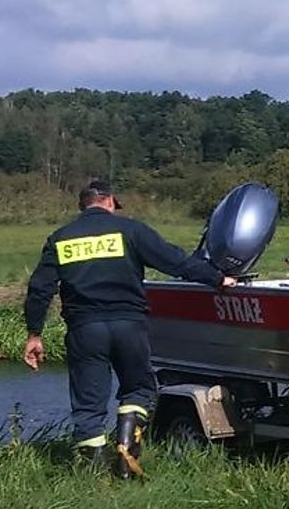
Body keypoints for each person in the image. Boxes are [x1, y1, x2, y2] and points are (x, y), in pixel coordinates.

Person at [23, 179, 236, 478]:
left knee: (89, 403)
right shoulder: (130, 231)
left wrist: (35, 333)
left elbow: (39, 289)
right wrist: (217, 279)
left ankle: (93, 475)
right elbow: (175, 262)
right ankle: (126, 450)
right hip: (128, 325)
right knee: (139, 388)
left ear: (82, 205)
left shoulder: (61, 238)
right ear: (109, 201)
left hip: (85, 329)